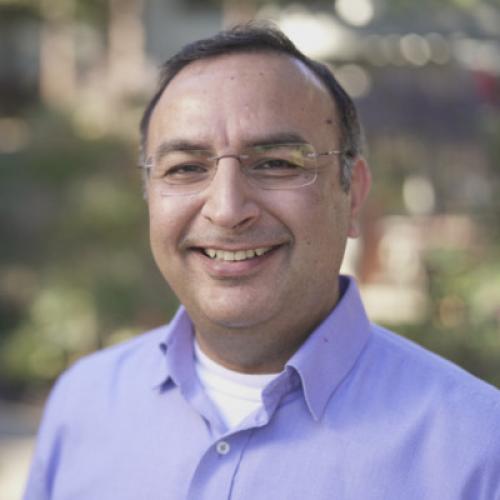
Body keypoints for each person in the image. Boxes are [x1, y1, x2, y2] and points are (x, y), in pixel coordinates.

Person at [25, 24, 500, 500]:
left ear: (353, 195)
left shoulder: (478, 447)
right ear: (149, 196)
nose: (227, 209)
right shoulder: (82, 405)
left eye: (277, 163)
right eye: (186, 168)